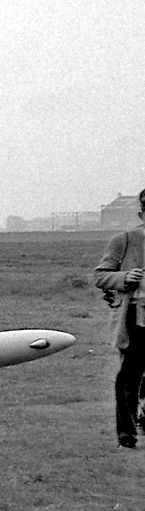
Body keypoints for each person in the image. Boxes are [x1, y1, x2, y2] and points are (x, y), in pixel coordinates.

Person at [94, 189, 145, 448]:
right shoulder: (124, 240)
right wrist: (124, 278)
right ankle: (127, 432)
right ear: (141, 214)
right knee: (129, 376)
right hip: (135, 318)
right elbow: (100, 275)